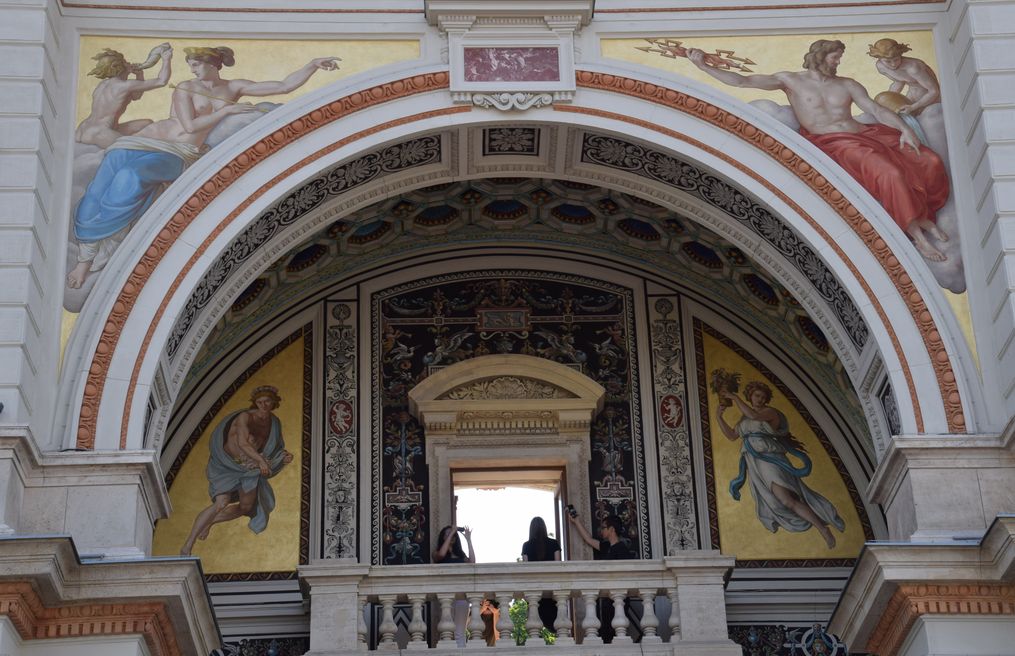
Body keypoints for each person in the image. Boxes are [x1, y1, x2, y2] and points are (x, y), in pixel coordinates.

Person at [67, 46, 340, 290]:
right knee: (97, 190)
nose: (192, 69)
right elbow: (189, 125)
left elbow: (283, 86)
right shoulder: (186, 87)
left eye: (196, 64)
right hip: (139, 142)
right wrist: (226, 112)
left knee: (130, 177)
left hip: (178, 153)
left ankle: (104, 250)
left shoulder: (233, 87)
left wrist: (312, 65)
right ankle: (84, 261)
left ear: (212, 64)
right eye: (190, 65)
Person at [688, 40, 951, 262]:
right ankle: (916, 235)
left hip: (865, 134)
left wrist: (904, 129)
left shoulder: (847, 84)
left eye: (839, 58)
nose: (837, 63)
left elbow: (875, 110)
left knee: (928, 160)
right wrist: (703, 66)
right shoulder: (789, 80)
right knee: (889, 172)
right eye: (834, 58)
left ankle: (923, 215)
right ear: (819, 57)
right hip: (833, 143)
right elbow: (743, 81)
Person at [715, 381, 845, 549]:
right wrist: (719, 417)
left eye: (763, 397)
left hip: (770, 457)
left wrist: (735, 398)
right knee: (780, 501)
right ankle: (820, 527)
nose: (760, 399)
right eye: (757, 395)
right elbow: (732, 436)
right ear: (750, 396)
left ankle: (822, 529)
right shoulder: (744, 418)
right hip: (754, 461)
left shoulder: (770, 412)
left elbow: (754, 416)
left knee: (785, 499)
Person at [180, 385, 293, 555]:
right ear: (255, 403)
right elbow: (243, 443)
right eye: (259, 402)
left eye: (267, 401)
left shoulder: (274, 423)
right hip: (227, 465)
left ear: (274, 402)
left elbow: (274, 449)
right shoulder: (245, 417)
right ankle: (188, 544)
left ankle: (210, 522)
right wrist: (260, 461)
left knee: (246, 507)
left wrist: (281, 459)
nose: (263, 405)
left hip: (250, 468)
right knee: (221, 503)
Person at [75, 44, 174, 148]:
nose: (129, 63)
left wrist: (139, 75)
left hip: (84, 128)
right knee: (141, 147)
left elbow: (136, 97)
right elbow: (161, 81)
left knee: (147, 123)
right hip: (98, 133)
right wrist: (166, 59)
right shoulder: (124, 85)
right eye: (126, 62)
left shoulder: (103, 84)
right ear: (118, 67)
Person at [567, 512, 634, 642]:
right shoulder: (606, 546)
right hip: (606, 599)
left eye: (604, 527)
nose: (601, 530)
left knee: (615, 633)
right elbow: (588, 539)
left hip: (617, 598)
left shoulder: (622, 549)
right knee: (606, 632)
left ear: (612, 529)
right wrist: (576, 521)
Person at [433, 524, 475, 646]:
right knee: (446, 632)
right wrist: (452, 532)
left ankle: (461, 653)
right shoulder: (436, 553)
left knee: (460, 632)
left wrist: (468, 539)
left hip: (461, 595)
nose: (450, 536)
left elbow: (472, 562)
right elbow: (441, 555)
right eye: (447, 534)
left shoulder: (461, 556)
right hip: (445, 596)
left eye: (452, 534)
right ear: (442, 537)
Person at [520, 516, 562, 633]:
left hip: (535, 591)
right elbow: (558, 566)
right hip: (552, 590)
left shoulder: (526, 546)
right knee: (558, 627)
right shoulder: (554, 543)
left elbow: (526, 570)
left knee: (534, 628)